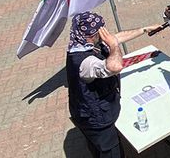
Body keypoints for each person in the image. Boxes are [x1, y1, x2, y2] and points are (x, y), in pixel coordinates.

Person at [66, 11, 160, 158]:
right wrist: (114, 46)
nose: (106, 34)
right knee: (110, 151)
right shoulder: (84, 62)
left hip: (86, 111)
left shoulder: (82, 43)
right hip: (95, 118)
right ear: (91, 34)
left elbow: (116, 37)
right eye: (101, 31)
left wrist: (144, 29)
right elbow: (115, 66)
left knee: (96, 147)